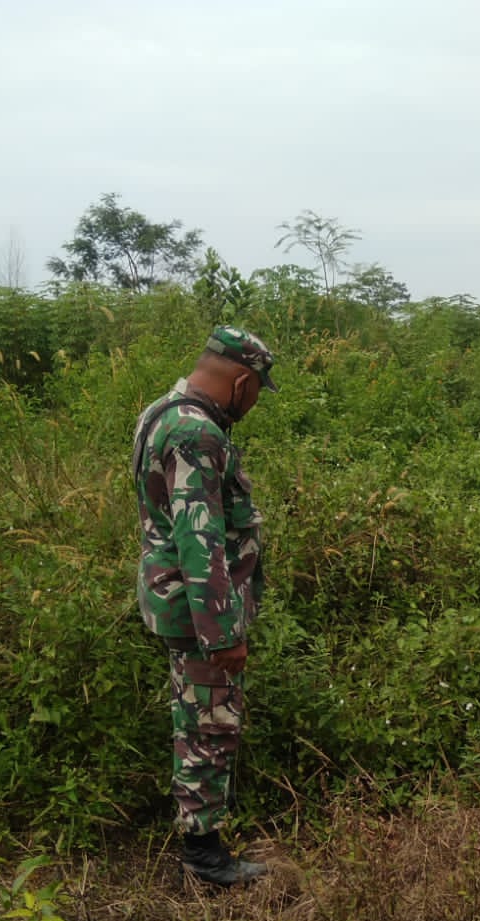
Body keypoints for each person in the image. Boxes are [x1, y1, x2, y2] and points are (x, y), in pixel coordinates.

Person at [133, 327, 279, 886]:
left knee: (196, 718)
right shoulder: (197, 433)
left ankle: (201, 839)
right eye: (257, 390)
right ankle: (204, 857)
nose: (254, 402)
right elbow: (201, 541)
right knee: (209, 726)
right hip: (200, 612)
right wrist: (223, 634)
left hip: (175, 599)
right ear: (241, 382)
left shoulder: (161, 412)